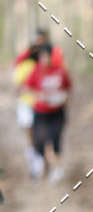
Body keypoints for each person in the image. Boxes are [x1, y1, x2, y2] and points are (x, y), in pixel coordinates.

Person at [24, 43, 72, 182]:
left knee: (55, 138)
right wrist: (38, 95)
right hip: (41, 112)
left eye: (47, 56)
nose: (45, 59)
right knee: (39, 141)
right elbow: (27, 87)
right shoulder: (36, 71)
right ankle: (44, 165)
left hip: (57, 112)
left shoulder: (60, 71)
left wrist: (64, 98)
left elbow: (68, 88)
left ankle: (57, 168)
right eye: (42, 57)